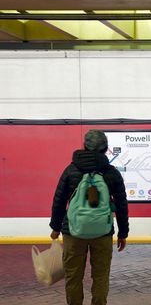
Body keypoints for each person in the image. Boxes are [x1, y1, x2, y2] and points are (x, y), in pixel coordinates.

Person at [49, 130, 129, 305]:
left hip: (73, 232)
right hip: (103, 233)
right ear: (106, 149)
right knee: (100, 277)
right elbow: (122, 205)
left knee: (73, 277)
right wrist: (123, 233)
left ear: (84, 147)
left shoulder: (70, 171)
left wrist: (55, 228)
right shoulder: (112, 173)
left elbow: (59, 200)